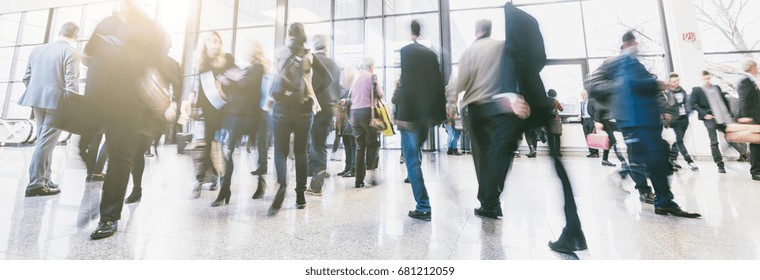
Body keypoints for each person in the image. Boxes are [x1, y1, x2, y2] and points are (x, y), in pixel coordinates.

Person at [86, 0, 170, 239]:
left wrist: (162, 101)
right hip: (98, 98)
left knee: (120, 158)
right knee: (86, 148)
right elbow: (88, 55)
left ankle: (108, 217)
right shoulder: (107, 24)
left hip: (128, 103)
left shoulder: (151, 29)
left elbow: (157, 65)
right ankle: (99, 201)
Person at [601, 31, 700, 218]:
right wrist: (657, 83)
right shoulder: (625, 62)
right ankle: (623, 177)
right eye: (633, 43)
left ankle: (663, 201)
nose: (636, 45)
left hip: (645, 120)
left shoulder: (632, 63)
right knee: (653, 159)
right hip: (638, 121)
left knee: (658, 158)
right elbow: (633, 84)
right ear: (625, 46)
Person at [447, 19, 525, 220]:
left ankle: (489, 202)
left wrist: (451, 103)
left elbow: (460, 83)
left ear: (477, 30)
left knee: (483, 157)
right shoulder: (502, 47)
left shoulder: (470, 52)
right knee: (500, 155)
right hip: (504, 108)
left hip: (479, 109)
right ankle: (493, 198)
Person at [18, 22, 80, 197]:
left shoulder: (38, 50)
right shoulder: (71, 52)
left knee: (45, 143)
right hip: (57, 103)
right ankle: (35, 184)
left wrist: (37, 93)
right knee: (45, 143)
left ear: (59, 32)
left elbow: (26, 77)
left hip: (37, 101)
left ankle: (45, 178)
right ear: (76, 36)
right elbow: (71, 83)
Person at [269, 23, 321, 213]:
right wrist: (314, 94)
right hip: (304, 108)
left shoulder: (279, 53)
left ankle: (282, 184)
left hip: (282, 107)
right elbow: (328, 79)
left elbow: (276, 77)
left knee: (281, 151)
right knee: (301, 152)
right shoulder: (309, 56)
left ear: (288, 34)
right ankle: (300, 196)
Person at [397, 20, 446, 221]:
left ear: (411, 32)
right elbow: (438, 84)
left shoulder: (406, 52)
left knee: (412, 161)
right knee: (416, 158)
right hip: (426, 115)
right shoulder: (431, 55)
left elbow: (406, 83)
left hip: (409, 114)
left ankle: (423, 205)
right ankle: (423, 204)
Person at [210, 41, 264, 207]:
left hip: (251, 117)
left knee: (255, 152)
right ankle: (225, 189)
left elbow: (248, 85)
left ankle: (260, 183)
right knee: (228, 150)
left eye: (251, 49)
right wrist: (227, 81)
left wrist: (233, 79)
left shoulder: (258, 68)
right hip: (235, 115)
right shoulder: (244, 70)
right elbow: (235, 89)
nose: (248, 52)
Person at [191, 31, 238, 197]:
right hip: (208, 108)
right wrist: (194, 106)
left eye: (218, 41)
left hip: (225, 108)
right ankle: (205, 177)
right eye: (211, 41)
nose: (215, 44)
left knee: (225, 145)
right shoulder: (203, 63)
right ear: (205, 44)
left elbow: (236, 81)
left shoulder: (228, 60)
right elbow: (199, 88)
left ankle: (222, 178)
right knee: (208, 143)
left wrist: (224, 87)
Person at [690, 70, 750, 173]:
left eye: (708, 78)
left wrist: (729, 115)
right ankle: (720, 165)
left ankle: (748, 156)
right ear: (701, 79)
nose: (707, 81)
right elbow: (692, 104)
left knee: (732, 138)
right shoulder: (697, 90)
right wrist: (704, 114)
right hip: (709, 119)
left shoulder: (716, 87)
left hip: (721, 118)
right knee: (714, 142)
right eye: (705, 79)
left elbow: (723, 101)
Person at [306, 34, 341, 196]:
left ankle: (317, 179)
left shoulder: (312, 62)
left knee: (314, 143)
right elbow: (337, 90)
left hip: (314, 107)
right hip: (330, 109)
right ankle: (318, 171)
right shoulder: (334, 65)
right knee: (320, 143)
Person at [346, 57, 383, 189]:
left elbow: (351, 96)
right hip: (368, 113)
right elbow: (380, 94)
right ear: (371, 66)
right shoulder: (372, 77)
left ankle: (358, 180)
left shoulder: (356, 78)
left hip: (354, 113)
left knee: (359, 147)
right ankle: (372, 176)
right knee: (373, 144)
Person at [663, 73, 698, 171]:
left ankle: (672, 158)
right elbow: (666, 107)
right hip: (675, 120)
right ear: (670, 82)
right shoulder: (667, 93)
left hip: (684, 118)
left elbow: (688, 103)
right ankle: (690, 162)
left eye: (677, 81)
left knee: (679, 140)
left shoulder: (682, 91)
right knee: (680, 141)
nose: (676, 83)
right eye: (674, 81)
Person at [736, 59, 760, 181]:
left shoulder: (749, 80)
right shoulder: (745, 80)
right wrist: (746, 117)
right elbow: (744, 100)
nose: (758, 69)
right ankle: (755, 172)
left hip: (755, 117)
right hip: (752, 118)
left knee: (757, 145)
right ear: (751, 67)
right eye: (757, 67)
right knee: (756, 145)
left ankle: (756, 170)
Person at [336, 67, 357, 178]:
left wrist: (346, 101)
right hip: (345, 120)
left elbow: (357, 100)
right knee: (347, 144)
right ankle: (348, 167)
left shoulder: (355, 88)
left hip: (351, 120)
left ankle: (353, 168)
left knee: (352, 145)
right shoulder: (347, 89)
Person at [580, 90, 599, 158]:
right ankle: (591, 152)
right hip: (584, 121)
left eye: (584, 94)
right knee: (587, 137)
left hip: (591, 120)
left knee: (593, 137)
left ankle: (596, 153)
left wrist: (594, 120)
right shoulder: (582, 103)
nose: (582, 96)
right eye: (581, 95)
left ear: (587, 95)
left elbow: (596, 111)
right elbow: (582, 112)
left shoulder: (591, 102)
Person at [545, 89, 563, 157]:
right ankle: (558, 152)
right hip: (556, 120)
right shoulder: (555, 101)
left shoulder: (546, 101)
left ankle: (552, 152)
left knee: (551, 137)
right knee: (557, 137)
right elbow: (561, 109)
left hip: (549, 120)